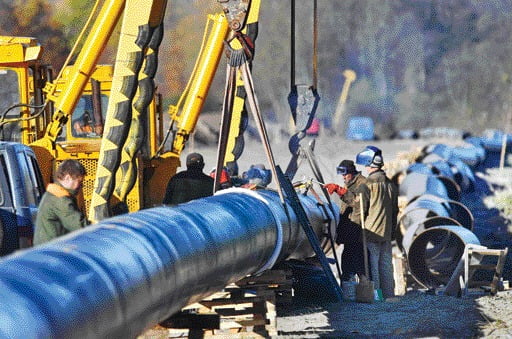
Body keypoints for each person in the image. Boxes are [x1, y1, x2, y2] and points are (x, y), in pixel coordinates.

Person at [356, 145, 399, 299]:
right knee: (386, 266)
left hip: (371, 232)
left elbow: (361, 209)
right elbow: (395, 211)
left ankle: (377, 296)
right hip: (387, 232)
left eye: (366, 166)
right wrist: (392, 232)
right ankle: (388, 296)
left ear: (370, 165)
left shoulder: (367, 185)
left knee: (373, 267)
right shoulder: (391, 184)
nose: (365, 168)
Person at [324, 160, 367, 282]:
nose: (343, 177)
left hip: (358, 231)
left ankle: (368, 293)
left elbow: (358, 203)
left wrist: (341, 191)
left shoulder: (362, 184)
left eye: (345, 174)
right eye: (342, 175)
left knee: (360, 264)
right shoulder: (350, 183)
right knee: (347, 262)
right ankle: (350, 291)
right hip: (350, 231)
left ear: (352, 172)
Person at [33, 159, 88, 245]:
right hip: (52, 253)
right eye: (79, 182)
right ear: (68, 178)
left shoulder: (52, 194)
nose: (81, 186)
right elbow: (80, 226)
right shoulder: (60, 199)